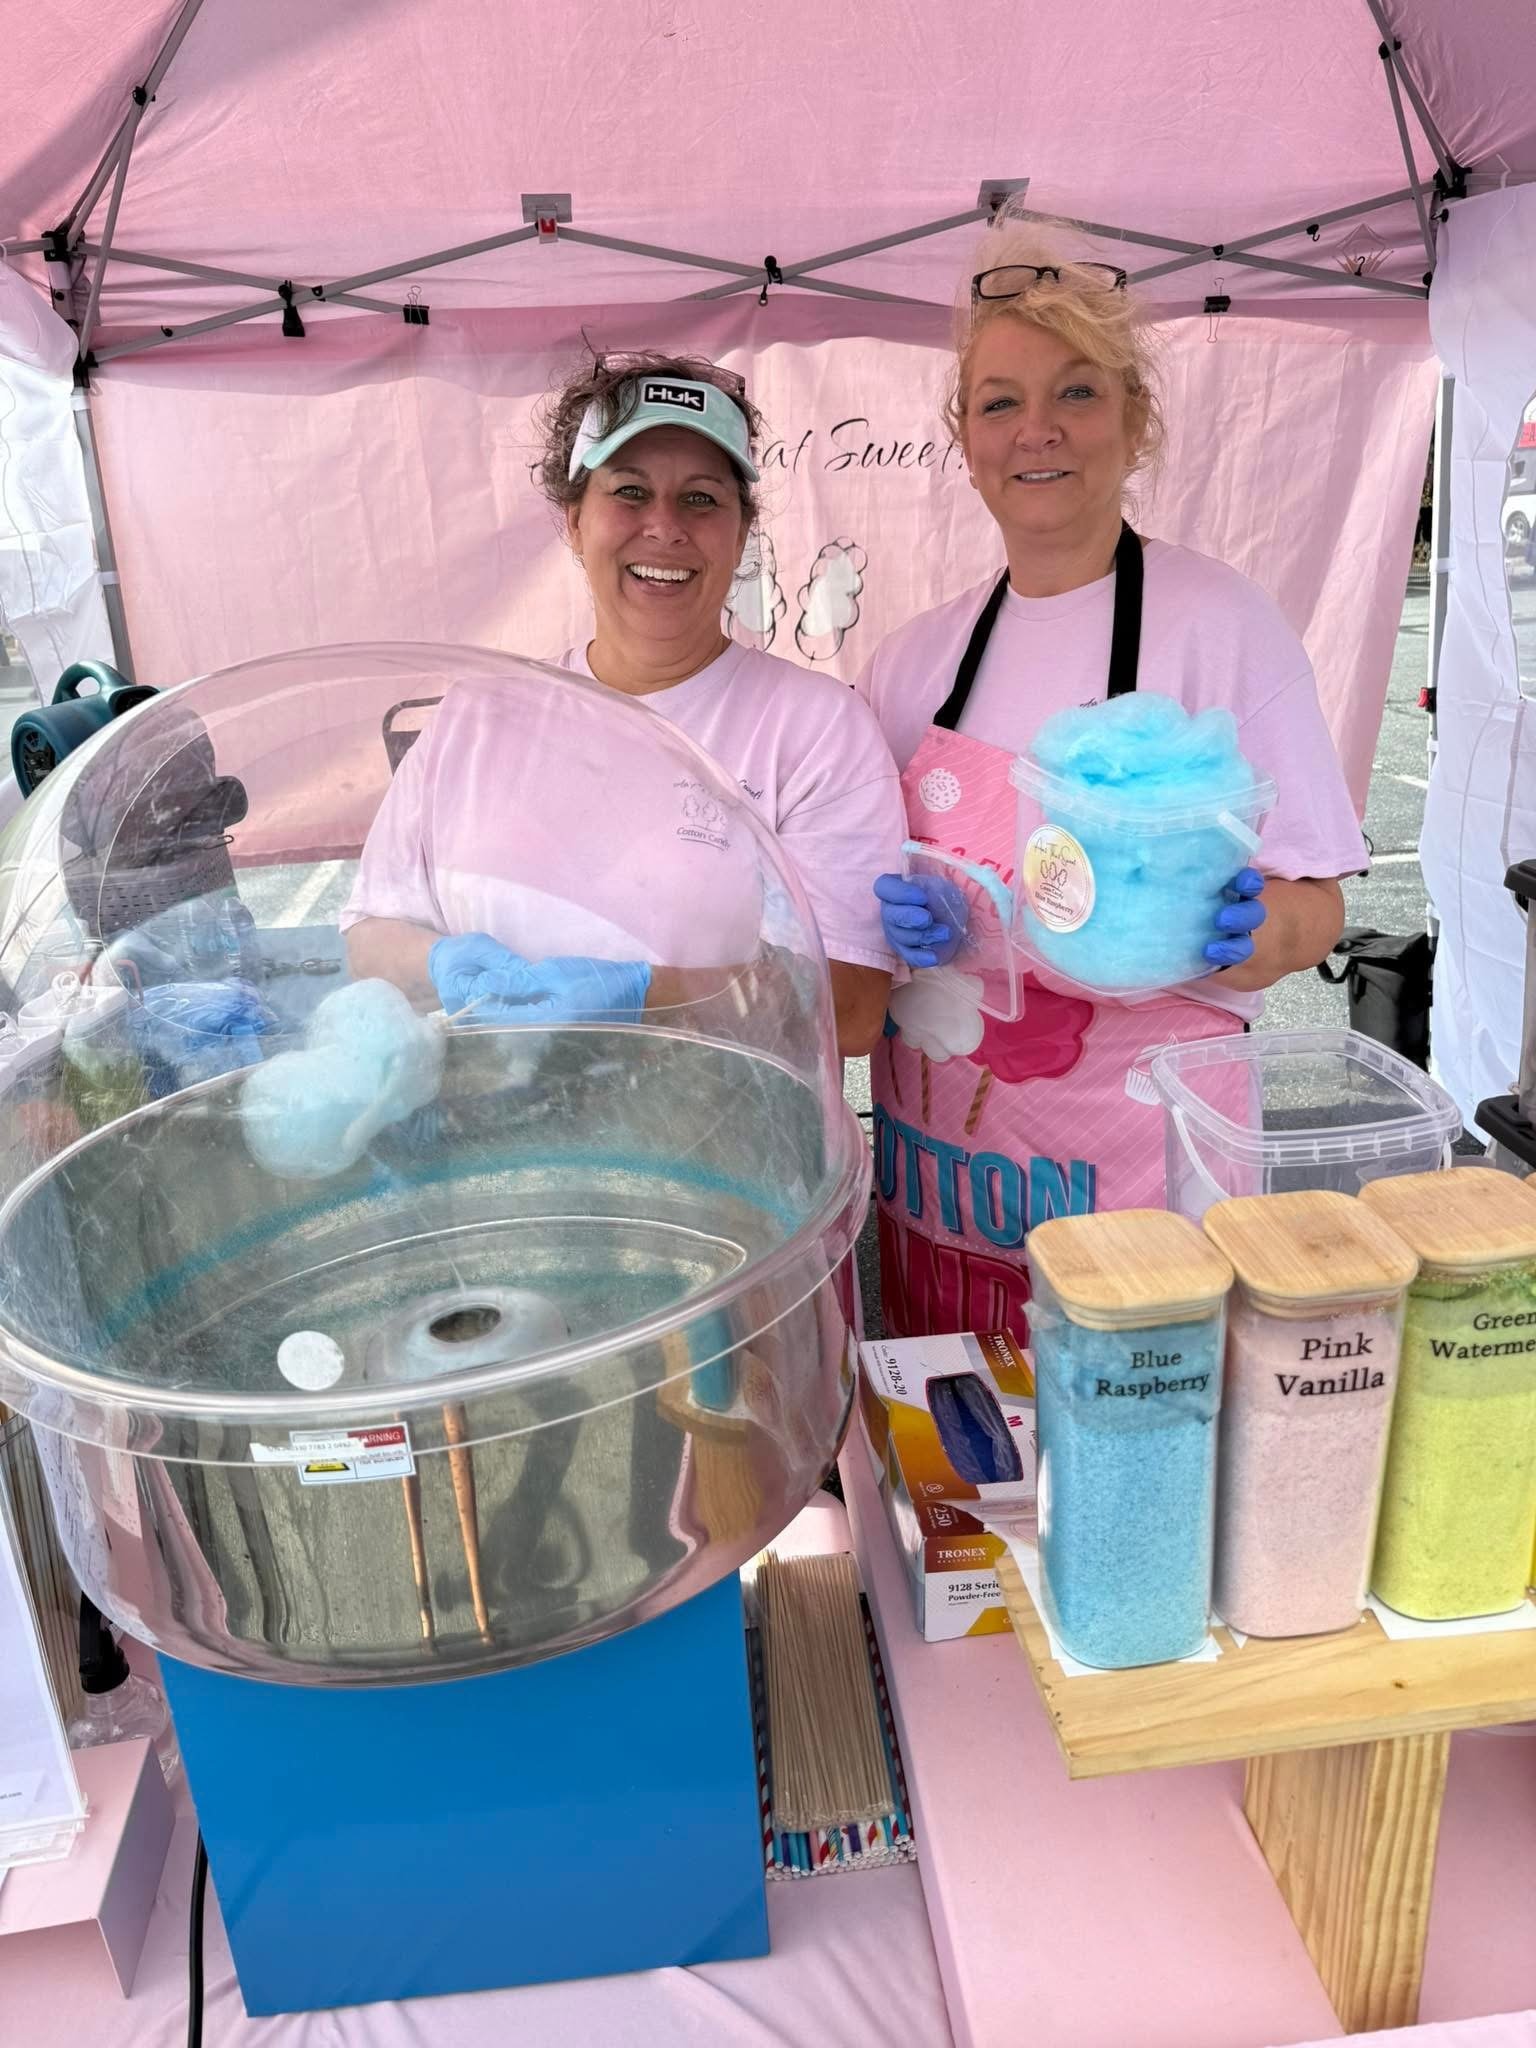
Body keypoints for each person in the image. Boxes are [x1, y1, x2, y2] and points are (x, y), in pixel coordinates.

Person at [862, 231, 1368, 1342]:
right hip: (951, 1185)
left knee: (1136, 1463)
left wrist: (1253, 931)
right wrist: (897, 921)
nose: (1036, 429)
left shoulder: (1220, 624)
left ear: (1133, 419)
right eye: (999, 403)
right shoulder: (912, 663)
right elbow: (855, 908)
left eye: (1076, 393)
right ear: (965, 437)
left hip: (1149, 1179)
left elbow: (1319, 904)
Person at [344, 354, 902, 1055]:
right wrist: (435, 965)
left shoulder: (816, 728)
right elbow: (369, 935)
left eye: (701, 498)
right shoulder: (477, 717)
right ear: (575, 521)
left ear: (741, 533)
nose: (665, 526)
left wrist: (640, 997)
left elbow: (850, 1004)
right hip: (492, 1135)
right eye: (629, 492)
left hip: (724, 1150)